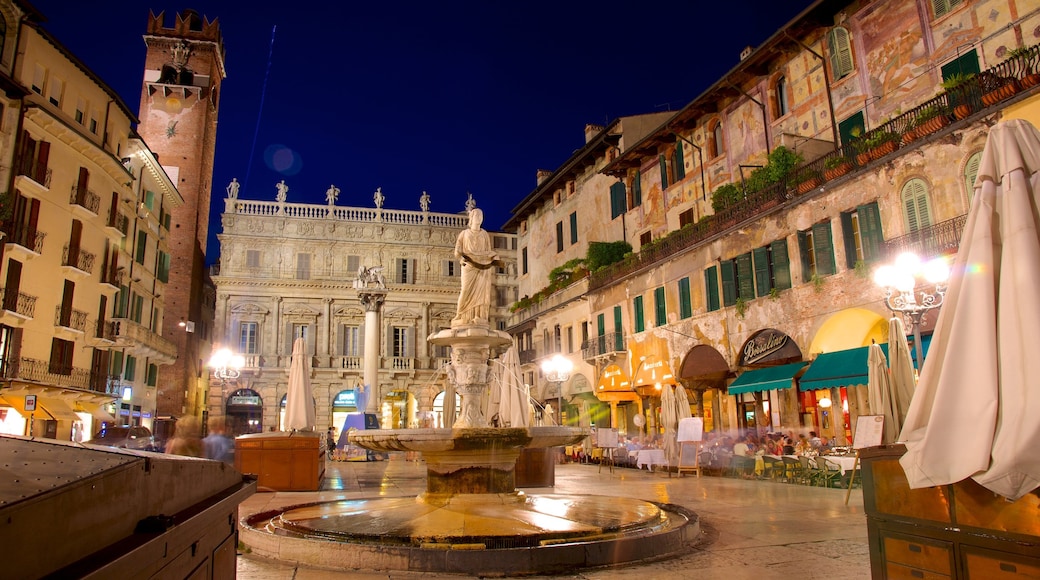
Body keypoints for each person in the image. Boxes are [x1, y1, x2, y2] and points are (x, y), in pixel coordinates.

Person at [452, 208, 498, 326]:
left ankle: (479, 316)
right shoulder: (464, 234)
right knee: (465, 290)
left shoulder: (484, 234)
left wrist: (493, 256)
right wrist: (460, 258)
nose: (478, 218)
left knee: (482, 293)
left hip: (483, 267)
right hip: (469, 266)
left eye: (480, 216)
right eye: (476, 216)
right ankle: (460, 314)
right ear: (471, 218)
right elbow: (457, 250)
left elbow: (488, 251)